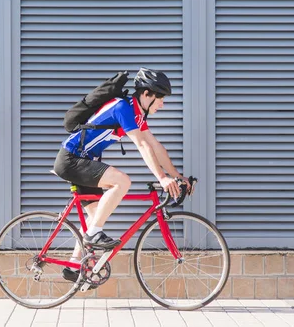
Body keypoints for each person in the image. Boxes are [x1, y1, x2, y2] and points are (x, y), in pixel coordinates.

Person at [53, 67, 192, 285]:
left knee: (94, 216)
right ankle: (93, 235)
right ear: (146, 94)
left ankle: (75, 265)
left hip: (83, 160)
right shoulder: (123, 108)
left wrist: (176, 176)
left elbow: (155, 146)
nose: (162, 104)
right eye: (160, 99)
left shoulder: (135, 113)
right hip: (71, 160)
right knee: (122, 181)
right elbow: (142, 145)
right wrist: (162, 178)